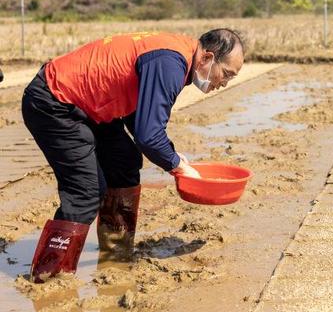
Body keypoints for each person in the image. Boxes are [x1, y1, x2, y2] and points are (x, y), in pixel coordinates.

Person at [22, 28, 244, 282]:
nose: (223, 83)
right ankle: (49, 276)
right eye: (225, 74)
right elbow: (149, 135)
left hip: (90, 104)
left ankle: (115, 253)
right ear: (207, 57)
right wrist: (178, 166)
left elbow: (140, 119)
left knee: (124, 160)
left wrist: (171, 155)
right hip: (55, 101)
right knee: (86, 190)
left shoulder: (177, 56)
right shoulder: (171, 63)